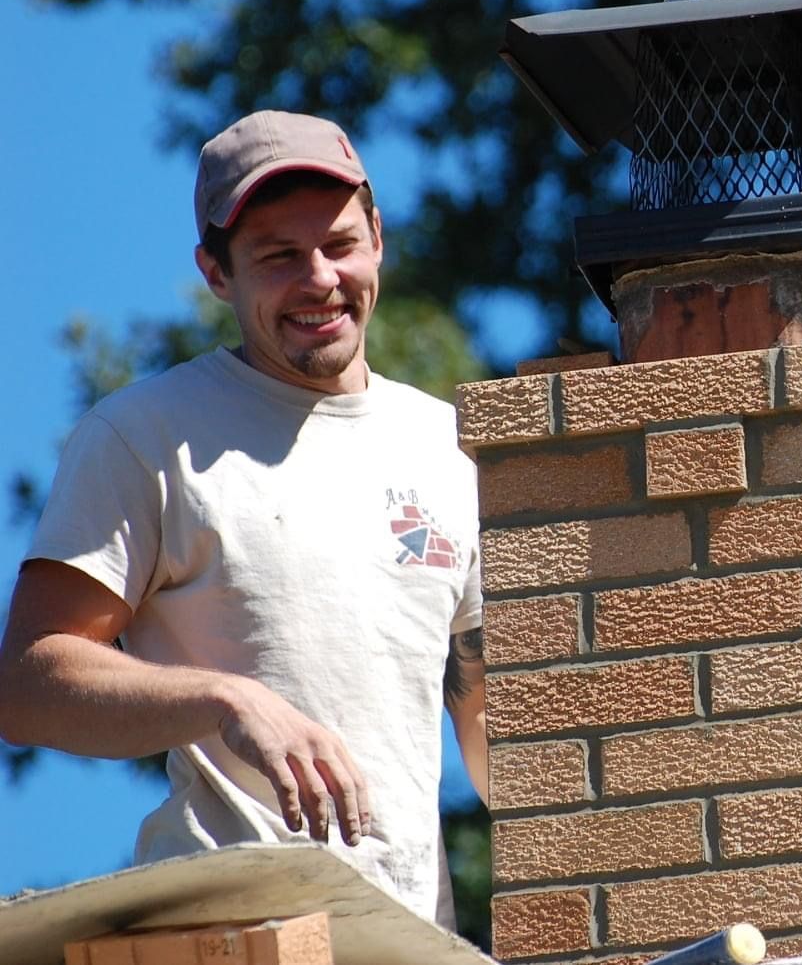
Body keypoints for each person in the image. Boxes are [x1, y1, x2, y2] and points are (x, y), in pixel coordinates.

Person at [0, 111, 486, 927]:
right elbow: (25, 683)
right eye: (278, 257)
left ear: (378, 240)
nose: (320, 279)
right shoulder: (146, 437)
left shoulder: (446, 447)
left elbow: (490, 722)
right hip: (229, 928)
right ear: (216, 273)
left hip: (408, 934)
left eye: (340, 244)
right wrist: (227, 700)